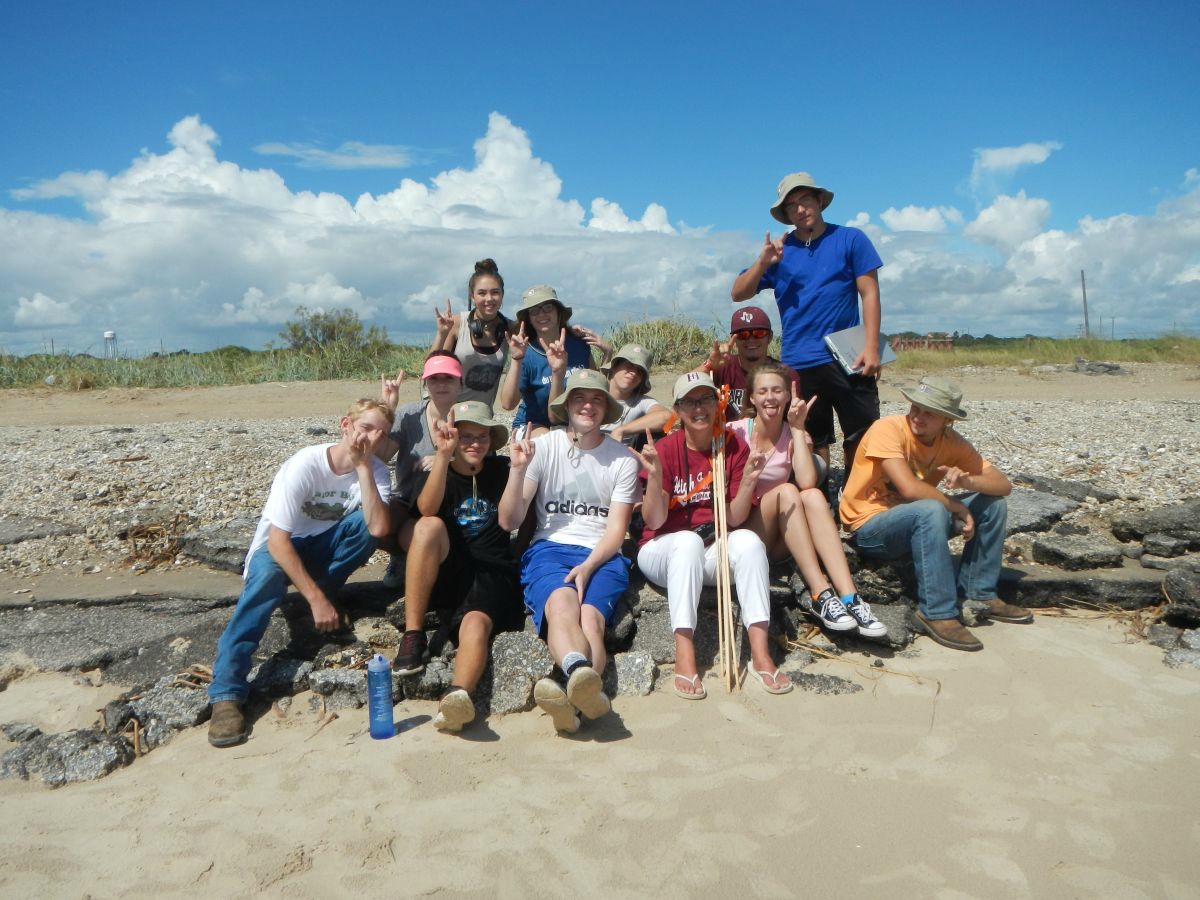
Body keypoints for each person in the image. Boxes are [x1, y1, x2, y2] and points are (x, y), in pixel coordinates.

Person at [207, 399, 393, 747]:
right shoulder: (305, 464)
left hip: (320, 547)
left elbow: (380, 528)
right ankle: (226, 693)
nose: (372, 438)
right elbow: (277, 541)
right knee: (265, 581)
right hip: (279, 546)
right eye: (366, 427)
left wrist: (364, 469)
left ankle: (315, 602)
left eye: (381, 434)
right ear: (346, 425)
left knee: (366, 527)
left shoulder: (377, 469)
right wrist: (316, 597)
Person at [839, 376, 1031, 651]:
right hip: (870, 526)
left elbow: (1003, 485)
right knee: (931, 508)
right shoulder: (887, 428)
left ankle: (980, 593)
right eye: (915, 407)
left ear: (946, 420)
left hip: (918, 519)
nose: (918, 416)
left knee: (992, 503)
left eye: (929, 412)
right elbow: (908, 488)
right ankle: (936, 611)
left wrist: (967, 483)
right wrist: (956, 505)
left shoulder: (951, 442)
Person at [635, 371, 793, 699]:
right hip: (662, 549)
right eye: (690, 402)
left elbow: (735, 517)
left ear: (717, 403)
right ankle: (685, 653)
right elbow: (654, 518)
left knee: (749, 541)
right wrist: (654, 478)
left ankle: (761, 655)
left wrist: (750, 478)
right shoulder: (665, 448)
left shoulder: (731, 445)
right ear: (677, 410)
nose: (699, 408)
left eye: (706, 399)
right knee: (687, 541)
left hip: (711, 551)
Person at [498, 369, 639, 733]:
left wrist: (591, 565)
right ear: (567, 405)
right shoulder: (544, 448)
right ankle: (581, 678)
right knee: (562, 604)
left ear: (605, 408)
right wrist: (517, 470)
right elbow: (509, 521)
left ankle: (569, 689)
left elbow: (617, 530)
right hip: (550, 548)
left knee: (591, 619)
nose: (587, 405)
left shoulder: (623, 459)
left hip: (602, 553)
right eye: (579, 397)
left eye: (595, 399)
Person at [731, 172, 883, 477]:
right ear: (786, 214)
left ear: (819, 201)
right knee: (812, 435)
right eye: (791, 206)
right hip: (799, 359)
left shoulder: (850, 239)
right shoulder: (780, 253)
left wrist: (871, 347)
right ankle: (819, 492)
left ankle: (855, 492)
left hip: (848, 354)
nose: (800, 209)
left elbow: (869, 293)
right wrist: (763, 262)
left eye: (805, 200)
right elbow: (738, 292)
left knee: (862, 432)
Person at [729, 362, 884, 639]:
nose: (770, 398)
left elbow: (808, 481)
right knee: (787, 492)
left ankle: (850, 597)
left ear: (788, 395)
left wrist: (799, 430)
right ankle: (820, 592)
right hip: (746, 534)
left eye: (777, 390)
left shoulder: (794, 433)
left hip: (779, 537)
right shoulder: (735, 432)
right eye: (762, 391)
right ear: (751, 397)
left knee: (811, 495)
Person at [397, 401, 524, 733]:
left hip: (490, 571)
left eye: (482, 436)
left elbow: (517, 520)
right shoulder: (437, 471)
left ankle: (457, 696)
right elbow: (426, 509)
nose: (474, 443)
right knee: (428, 527)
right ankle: (413, 636)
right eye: (466, 435)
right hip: (450, 566)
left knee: (475, 625)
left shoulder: (502, 471)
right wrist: (442, 455)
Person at [378, 351, 464, 588]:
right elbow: (381, 456)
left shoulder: (470, 415)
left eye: (449, 377)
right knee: (377, 525)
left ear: (461, 382)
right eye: (435, 378)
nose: (442, 384)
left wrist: (446, 459)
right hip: (407, 499)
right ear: (425, 384)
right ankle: (402, 557)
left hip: (452, 501)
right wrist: (388, 408)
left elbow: (482, 460)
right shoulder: (409, 415)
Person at [499, 284, 612, 437]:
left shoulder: (578, 344)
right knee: (552, 440)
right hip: (533, 424)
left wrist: (607, 354)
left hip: (572, 423)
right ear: (529, 319)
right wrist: (517, 359)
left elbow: (594, 386)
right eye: (534, 311)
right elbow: (507, 404)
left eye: (548, 307)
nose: (542, 314)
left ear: (558, 312)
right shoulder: (526, 352)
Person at [430, 258, 511, 406]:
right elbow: (431, 367)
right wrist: (442, 334)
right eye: (482, 293)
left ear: (502, 295)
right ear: (472, 296)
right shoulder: (456, 324)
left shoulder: (511, 328)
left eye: (495, 293)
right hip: (450, 410)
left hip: (483, 417)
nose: (489, 299)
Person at [697, 306, 797, 420]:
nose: (750, 339)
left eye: (759, 333)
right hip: (727, 436)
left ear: (769, 337)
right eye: (742, 335)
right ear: (733, 339)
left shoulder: (785, 375)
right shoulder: (722, 367)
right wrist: (709, 364)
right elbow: (681, 390)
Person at [601, 342, 670, 447]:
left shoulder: (641, 402)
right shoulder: (594, 395)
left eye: (640, 371)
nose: (633, 372)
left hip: (626, 456)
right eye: (629, 365)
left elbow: (669, 418)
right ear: (614, 366)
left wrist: (622, 430)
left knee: (663, 432)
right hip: (587, 452)